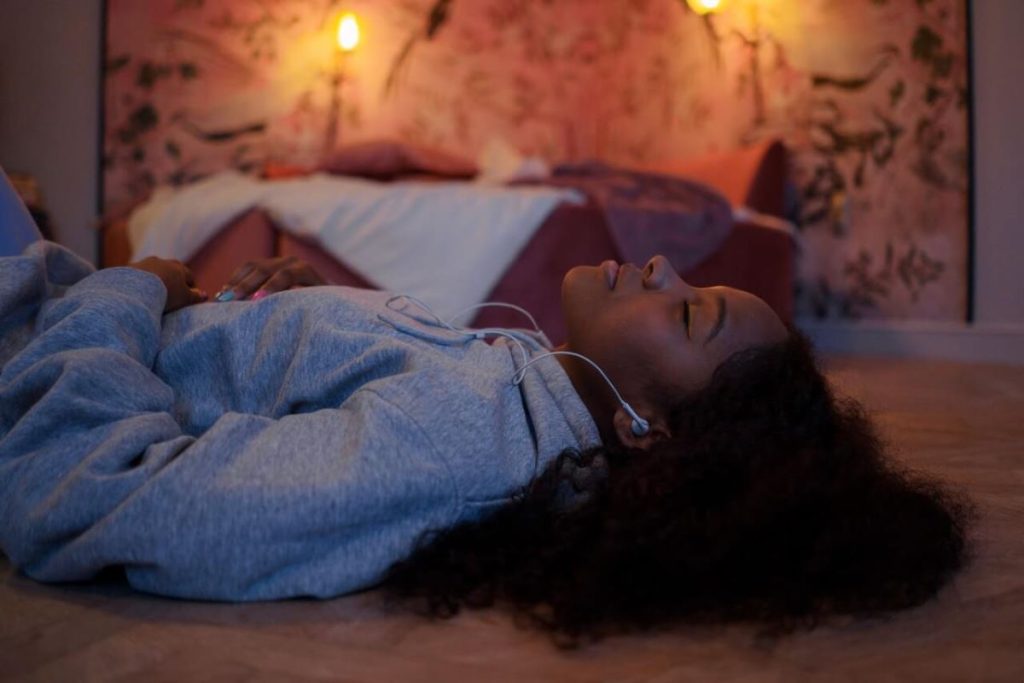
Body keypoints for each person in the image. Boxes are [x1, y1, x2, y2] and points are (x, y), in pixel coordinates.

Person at [0, 240, 970, 646]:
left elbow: (91, 494)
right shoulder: (512, 384)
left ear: (649, 430)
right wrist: (279, 317)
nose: (664, 265)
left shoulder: (474, 442)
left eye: (690, 311)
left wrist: (126, 291)